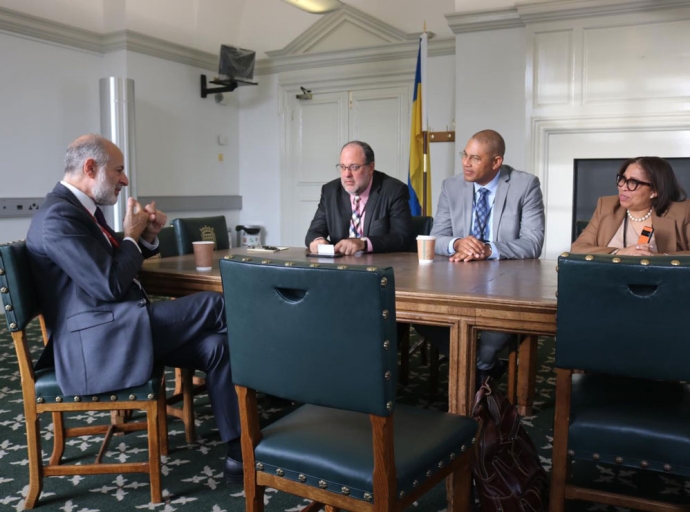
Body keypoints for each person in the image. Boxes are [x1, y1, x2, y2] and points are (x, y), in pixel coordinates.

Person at [25, 134, 243, 484]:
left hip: (119, 327)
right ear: (91, 168)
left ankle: (239, 455)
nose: (125, 180)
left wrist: (143, 237)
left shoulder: (77, 211)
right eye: (119, 170)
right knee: (216, 305)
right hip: (98, 343)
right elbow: (109, 283)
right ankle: (297, 380)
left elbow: (113, 265)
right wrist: (130, 236)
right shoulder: (58, 217)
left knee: (220, 347)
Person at [416, 129, 545, 383]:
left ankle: (479, 366)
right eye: (465, 155)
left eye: (475, 158)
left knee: (495, 331)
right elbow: (436, 237)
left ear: (497, 162)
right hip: (455, 278)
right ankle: (483, 368)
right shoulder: (451, 186)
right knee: (423, 316)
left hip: (505, 281)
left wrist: (488, 249)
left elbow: (533, 243)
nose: (466, 163)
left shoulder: (525, 185)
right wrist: (458, 242)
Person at [305, 140, 412, 255]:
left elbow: (402, 238)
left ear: (371, 167)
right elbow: (314, 232)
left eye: (354, 167)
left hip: (379, 266)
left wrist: (363, 243)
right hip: (340, 267)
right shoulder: (330, 191)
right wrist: (318, 241)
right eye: (342, 167)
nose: (347, 174)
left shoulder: (394, 190)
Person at [571, 156, 690, 255]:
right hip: (609, 280)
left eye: (633, 182)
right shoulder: (606, 206)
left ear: (654, 191)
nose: (623, 187)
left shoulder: (682, 211)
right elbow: (578, 248)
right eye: (622, 179)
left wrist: (656, 258)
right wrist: (619, 253)